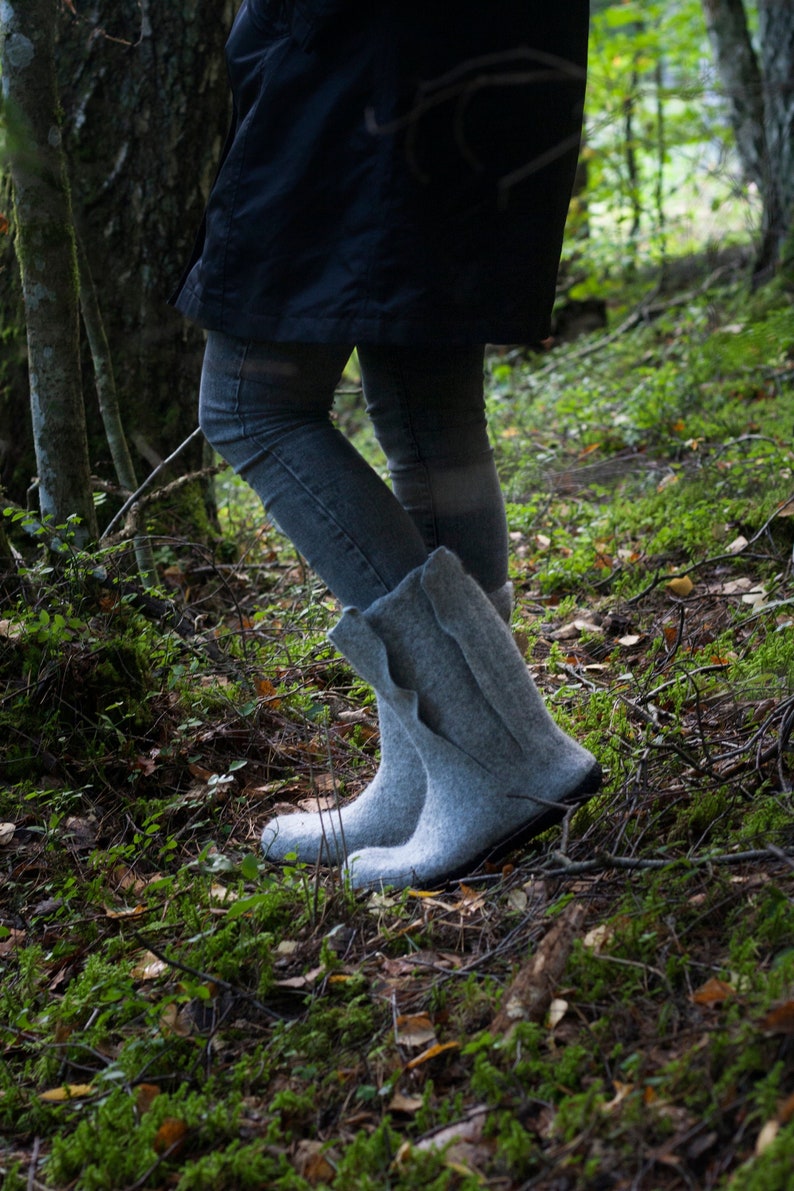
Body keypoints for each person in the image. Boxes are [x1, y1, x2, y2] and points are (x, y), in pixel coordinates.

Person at [171, 0, 601, 889]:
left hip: (366, 56)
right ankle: (428, 767)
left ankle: (499, 752)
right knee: (428, 410)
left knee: (251, 404)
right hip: (483, 52)